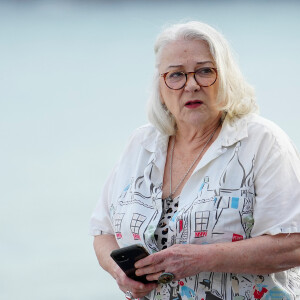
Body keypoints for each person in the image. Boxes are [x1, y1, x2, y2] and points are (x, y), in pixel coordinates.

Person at [90, 21, 300, 300]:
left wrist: (201, 258)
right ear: (161, 86)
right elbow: (102, 233)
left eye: (204, 71)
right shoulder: (141, 144)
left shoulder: (262, 142)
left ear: (226, 77)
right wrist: (119, 273)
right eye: (176, 75)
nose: (191, 85)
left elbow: (293, 245)